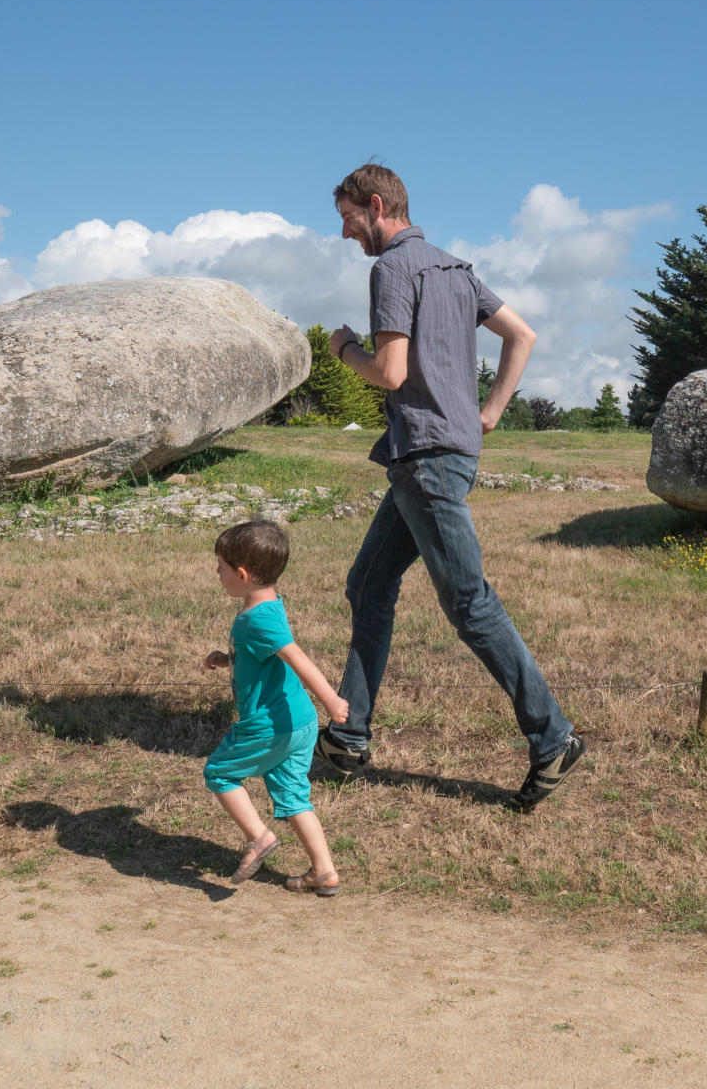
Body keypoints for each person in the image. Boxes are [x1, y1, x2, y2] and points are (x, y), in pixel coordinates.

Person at [314, 163, 585, 811]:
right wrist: (488, 413)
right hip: (438, 454)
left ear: (376, 206)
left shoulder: (392, 270)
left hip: (427, 461)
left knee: (470, 604)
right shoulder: (456, 270)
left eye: (348, 220)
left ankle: (553, 738)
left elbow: (390, 370)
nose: (347, 235)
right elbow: (522, 335)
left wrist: (343, 349)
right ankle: (348, 737)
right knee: (369, 583)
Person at [201, 519, 350, 893]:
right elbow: (264, 656)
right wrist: (229, 660)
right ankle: (324, 872)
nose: (216, 573)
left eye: (220, 567)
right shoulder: (269, 604)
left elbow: (296, 657)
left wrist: (331, 699)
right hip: (298, 722)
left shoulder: (257, 619)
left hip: (269, 723)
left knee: (219, 773)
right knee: (294, 796)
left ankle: (259, 837)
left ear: (242, 573)